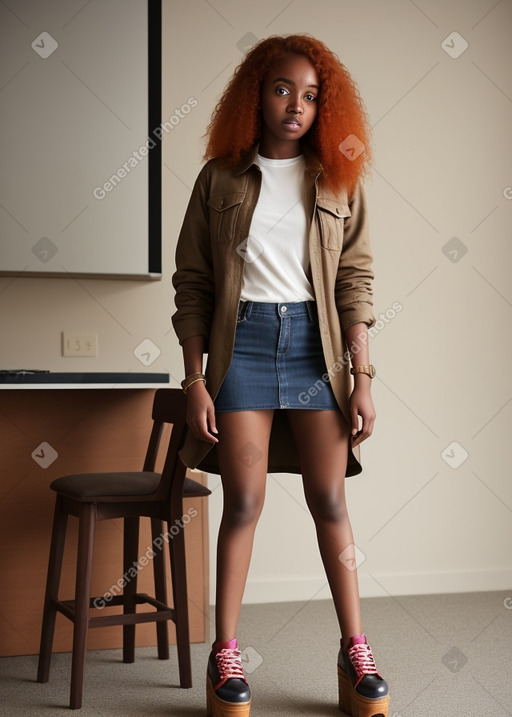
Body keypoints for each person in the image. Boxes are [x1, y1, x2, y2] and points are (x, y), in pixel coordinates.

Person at [172, 33, 389, 717]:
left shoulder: (337, 179)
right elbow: (194, 284)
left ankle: (354, 649)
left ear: (327, 106)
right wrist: (195, 379)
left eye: (311, 94)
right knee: (243, 501)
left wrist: (363, 376)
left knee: (330, 499)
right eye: (282, 89)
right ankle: (226, 653)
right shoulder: (219, 179)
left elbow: (354, 280)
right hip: (242, 347)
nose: (296, 105)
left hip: (312, 350)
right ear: (255, 94)